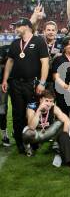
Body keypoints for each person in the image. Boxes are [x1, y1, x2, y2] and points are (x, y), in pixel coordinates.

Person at [2, 18, 49, 153]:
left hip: (32, 83)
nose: (15, 28)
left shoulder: (39, 41)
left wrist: (42, 82)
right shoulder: (15, 43)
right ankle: (20, 143)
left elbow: (45, 63)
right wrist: (5, 80)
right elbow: (9, 62)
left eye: (17, 26)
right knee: (17, 114)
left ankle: (32, 141)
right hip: (15, 83)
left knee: (32, 113)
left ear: (27, 27)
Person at [23, 90, 70, 156]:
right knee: (27, 132)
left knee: (62, 123)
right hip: (36, 133)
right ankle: (28, 149)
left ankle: (56, 144)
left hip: (48, 132)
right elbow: (31, 127)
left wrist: (65, 138)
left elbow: (67, 120)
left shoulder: (53, 107)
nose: (48, 104)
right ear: (41, 100)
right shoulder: (32, 107)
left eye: (51, 101)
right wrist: (39, 110)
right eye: (46, 100)